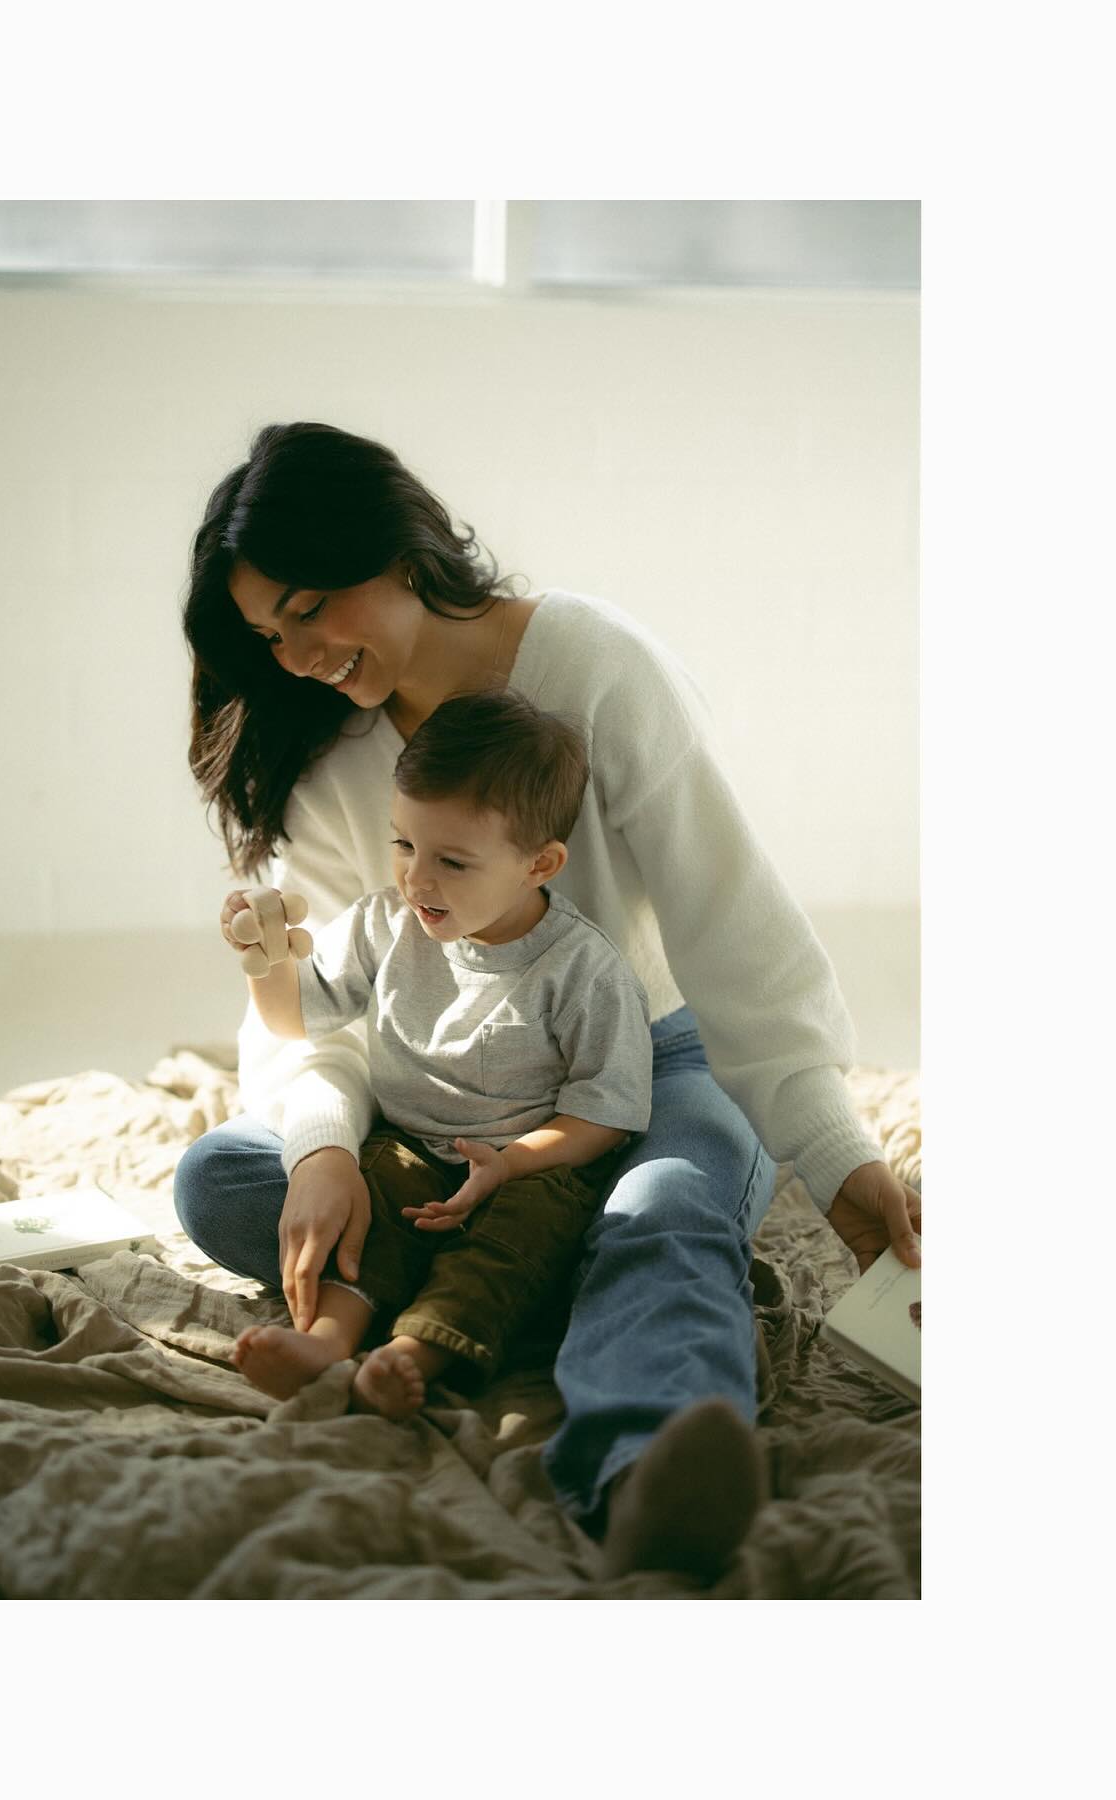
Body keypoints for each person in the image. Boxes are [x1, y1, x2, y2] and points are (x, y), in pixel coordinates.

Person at [175, 421, 922, 1582]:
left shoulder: (591, 664)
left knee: (664, 1207)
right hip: (436, 1098)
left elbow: (731, 921)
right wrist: (324, 1145)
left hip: (645, 1067)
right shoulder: (330, 764)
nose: (297, 654)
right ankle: (546, 1269)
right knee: (225, 1179)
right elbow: (326, 1011)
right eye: (271, 634)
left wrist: (828, 1146)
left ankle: (641, 1469)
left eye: (312, 607)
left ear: (398, 550)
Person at [222, 689, 652, 1423]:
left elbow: (604, 1115)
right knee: (371, 1207)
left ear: (539, 864)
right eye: (403, 845)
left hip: (530, 1166)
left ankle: (413, 1356)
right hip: (408, 1148)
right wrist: (265, 963)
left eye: (452, 861)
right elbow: (300, 1019)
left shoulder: (582, 969)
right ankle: (328, 1340)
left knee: (516, 1239)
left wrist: (509, 1163)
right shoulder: (384, 925)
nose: (417, 879)